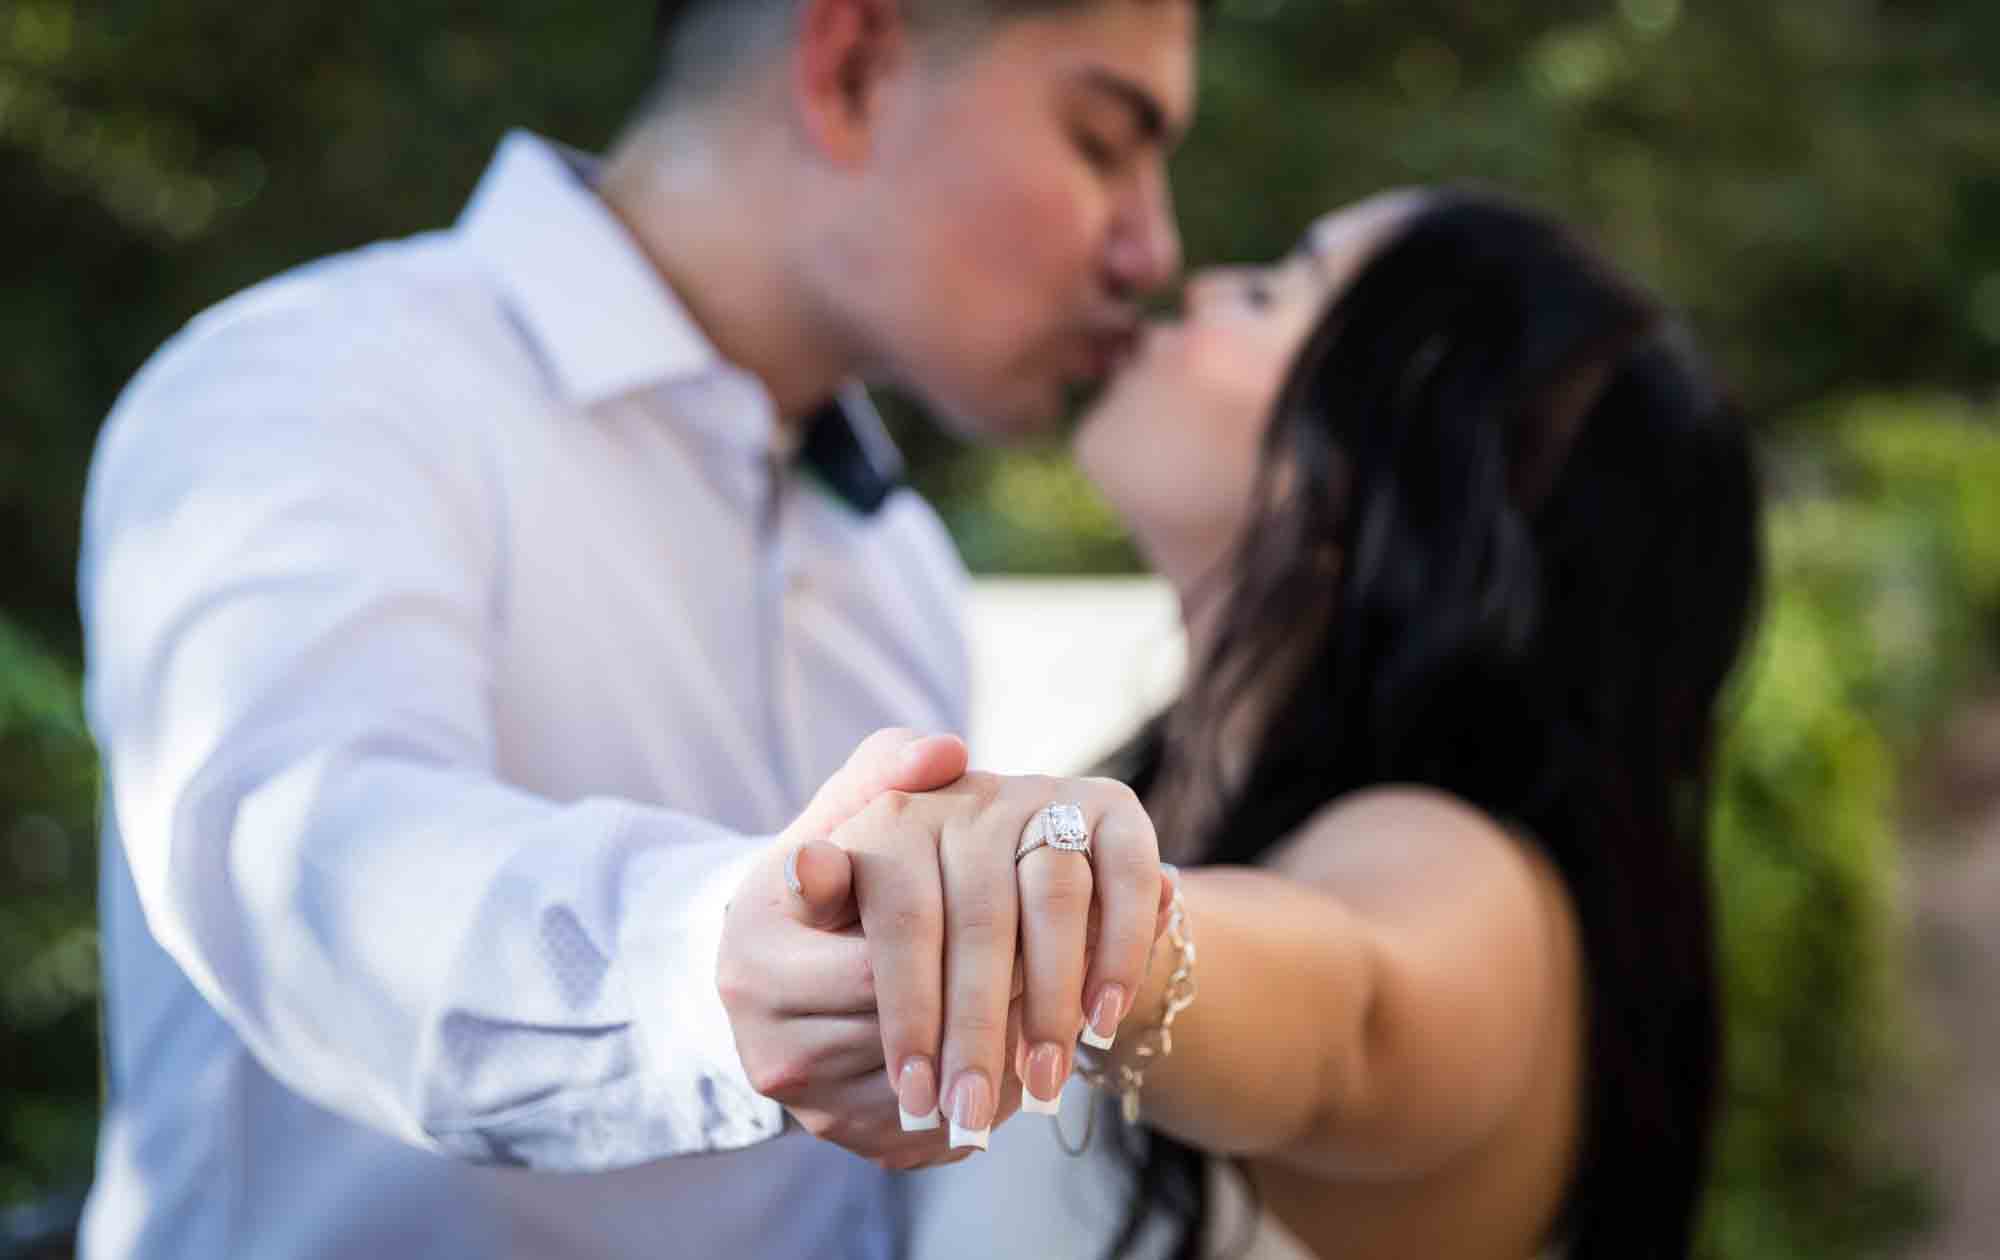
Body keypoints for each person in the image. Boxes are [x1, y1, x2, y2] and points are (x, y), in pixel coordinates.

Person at [75, 1, 1200, 1256]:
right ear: (856, 67)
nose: (1149, 251)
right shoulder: (314, 384)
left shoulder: (901, 572)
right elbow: (306, 857)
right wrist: (711, 967)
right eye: (1103, 141)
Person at [904, 188, 1763, 1259]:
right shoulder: (1177, 779)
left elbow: (1348, 1018)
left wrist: (1071, 897)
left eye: (1271, 291)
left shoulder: (1454, 865)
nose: (1199, 281)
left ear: (1359, 484)